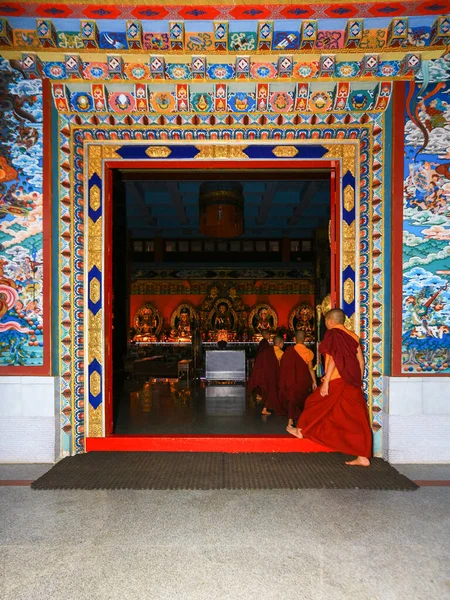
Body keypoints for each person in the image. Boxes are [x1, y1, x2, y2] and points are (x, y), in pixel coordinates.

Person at [286, 308, 372, 467]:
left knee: (313, 403)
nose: (325, 324)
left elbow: (334, 358)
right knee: (356, 417)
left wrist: (326, 382)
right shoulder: (352, 336)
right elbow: (361, 361)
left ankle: (301, 431)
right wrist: (356, 380)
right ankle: (363, 456)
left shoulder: (333, 334)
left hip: (336, 380)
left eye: (325, 321)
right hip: (352, 382)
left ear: (330, 321)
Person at [279, 330, 317, 426]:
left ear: (294, 339)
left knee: (292, 398)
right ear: (305, 339)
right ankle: (303, 420)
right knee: (303, 399)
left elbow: (284, 366)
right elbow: (310, 369)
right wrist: (314, 382)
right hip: (303, 381)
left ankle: (290, 420)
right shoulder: (309, 352)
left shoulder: (289, 351)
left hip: (291, 380)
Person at [248, 335, 284, 416]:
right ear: (280, 343)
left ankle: (270, 406)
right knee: (272, 392)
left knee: (269, 392)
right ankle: (265, 409)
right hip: (274, 375)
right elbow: (280, 365)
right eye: (283, 343)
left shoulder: (267, 351)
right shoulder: (280, 353)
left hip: (266, 374)